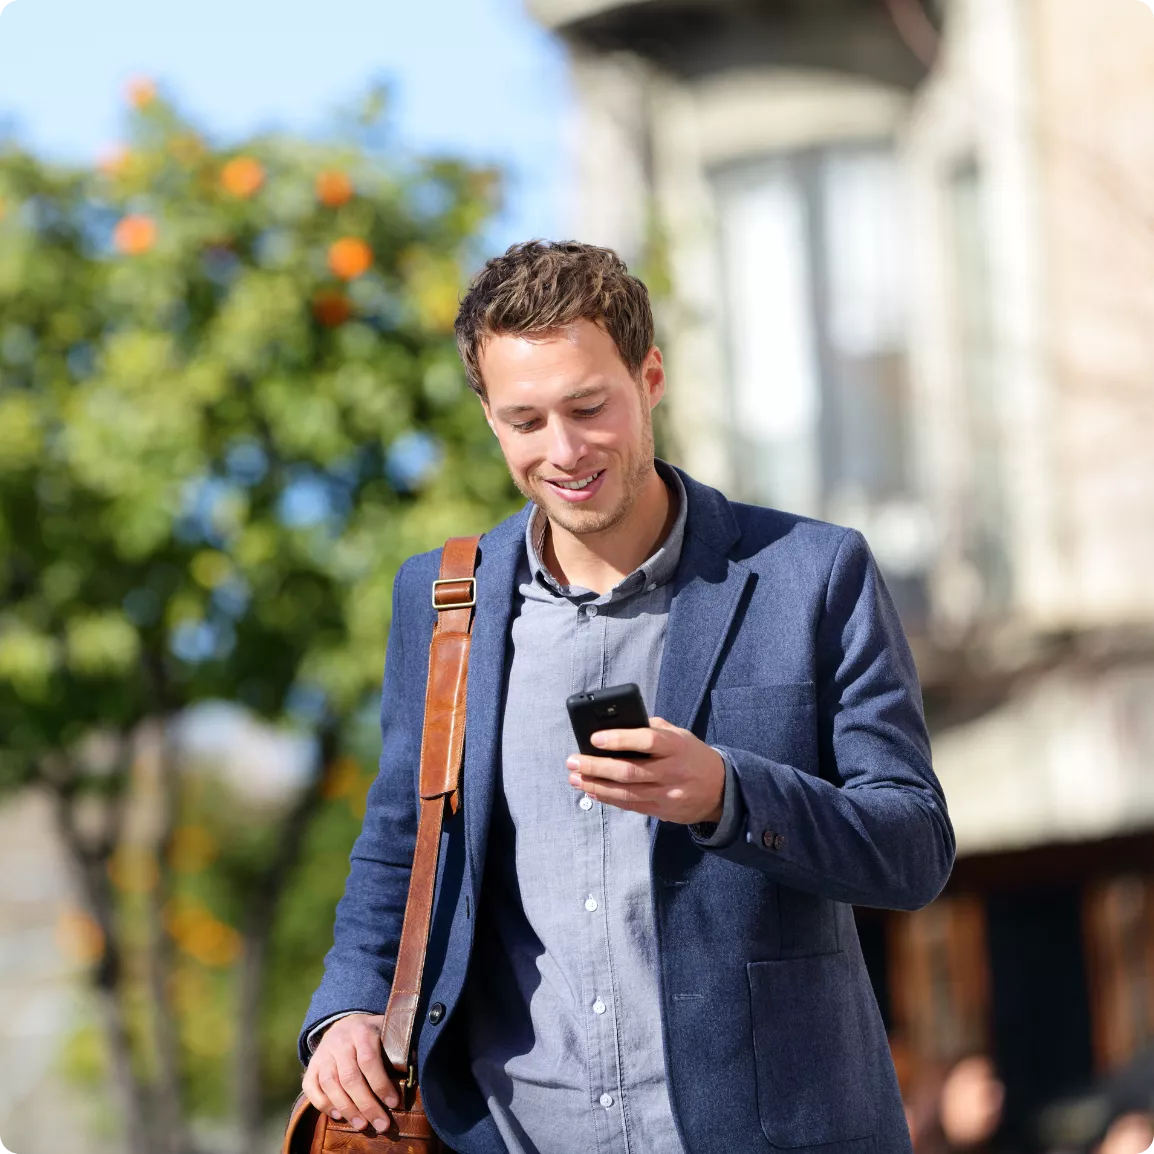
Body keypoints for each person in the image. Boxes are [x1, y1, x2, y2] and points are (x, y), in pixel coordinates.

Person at [297, 240, 956, 1153]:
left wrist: (729, 795)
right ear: (488, 417)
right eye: (525, 421)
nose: (563, 451)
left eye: (587, 407)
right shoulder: (446, 600)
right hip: (509, 1132)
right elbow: (404, 838)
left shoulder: (814, 573)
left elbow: (914, 846)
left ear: (650, 378)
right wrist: (349, 1008)